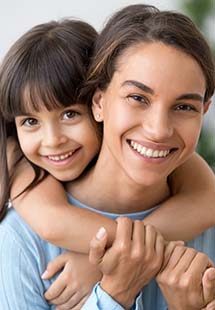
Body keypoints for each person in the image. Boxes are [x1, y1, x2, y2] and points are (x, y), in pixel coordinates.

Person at [0, 6, 215, 309]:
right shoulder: (21, 240)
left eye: (184, 107)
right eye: (138, 98)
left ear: (203, 112)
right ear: (98, 102)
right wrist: (113, 293)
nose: (158, 130)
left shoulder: (206, 210)